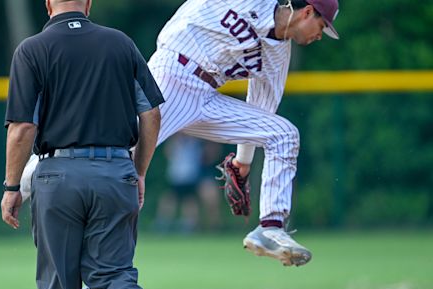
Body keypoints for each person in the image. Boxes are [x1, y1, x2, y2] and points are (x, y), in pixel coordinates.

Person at [0, 0, 164, 289]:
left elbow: (22, 128)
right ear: (88, 3)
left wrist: (11, 186)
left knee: (59, 287)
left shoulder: (33, 49)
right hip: (115, 172)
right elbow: (152, 114)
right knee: (115, 273)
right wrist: (138, 171)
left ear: (47, 4)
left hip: (58, 176)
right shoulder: (120, 44)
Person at [145, 0, 341, 267]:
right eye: (321, 25)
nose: (320, 35)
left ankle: (270, 228)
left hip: (208, 97)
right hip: (171, 76)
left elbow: (261, 109)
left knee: (283, 134)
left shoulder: (277, 56)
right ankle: (94, 283)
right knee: (118, 172)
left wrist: (242, 163)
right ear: (307, 12)